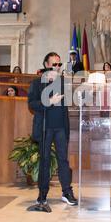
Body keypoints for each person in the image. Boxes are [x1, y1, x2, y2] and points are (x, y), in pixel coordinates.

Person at [28, 52, 77, 208]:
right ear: (46, 64)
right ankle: (42, 194)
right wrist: (48, 101)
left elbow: (70, 101)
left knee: (63, 160)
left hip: (61, 127)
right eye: (54, 64)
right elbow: (32, 104)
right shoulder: (36, 83)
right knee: (45, 161)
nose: (57, 67)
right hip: (45, 128)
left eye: (59, 64)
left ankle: (66, 192)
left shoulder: (63, 82)